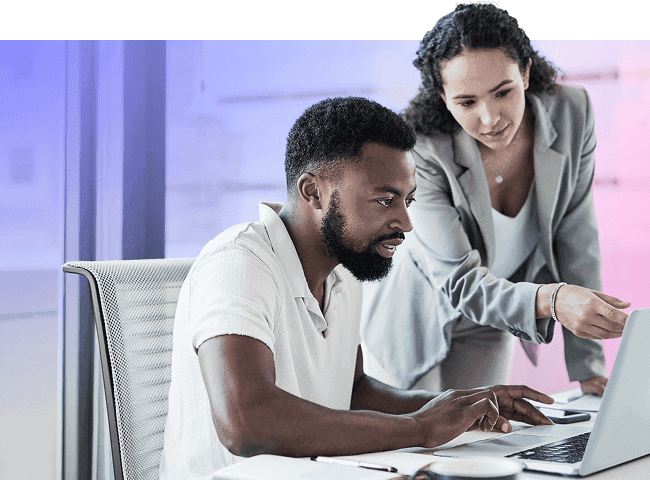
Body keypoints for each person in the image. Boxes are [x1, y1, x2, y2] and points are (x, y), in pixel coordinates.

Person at [159, 96, 556, 480]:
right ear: (313, 192)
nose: (405, 222)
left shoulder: (344, 269)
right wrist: (420, 428)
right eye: (385, 201)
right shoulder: (239, 263)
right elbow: (246, 423)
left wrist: (460, 407)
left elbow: (353, 391)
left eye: (408, 201)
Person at [361, 4, 631, 397]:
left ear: (524, 70)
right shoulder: (420, 149)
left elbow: (577, 239)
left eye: (503, 92)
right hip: (413, 317)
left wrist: (588, 367)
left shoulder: (572, 112)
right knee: (421, 446)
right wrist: (553, 300)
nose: (490, 119)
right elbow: (460, 281)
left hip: (496, 312)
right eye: (466, 103)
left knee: (478, 435)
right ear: (442, 95)